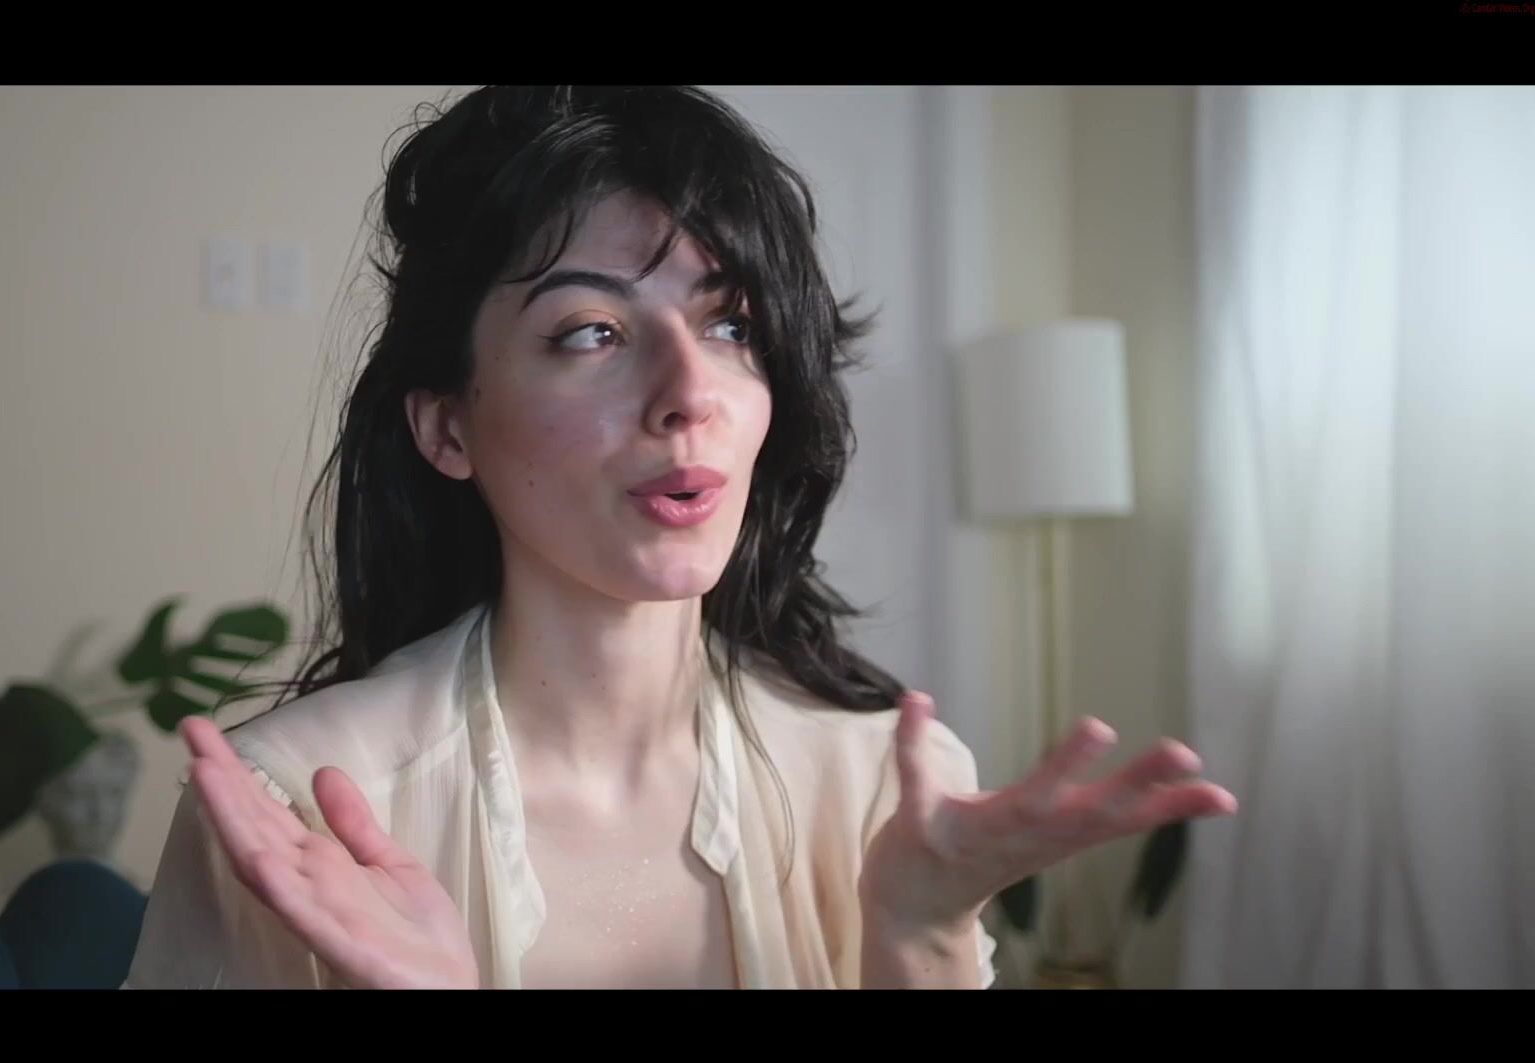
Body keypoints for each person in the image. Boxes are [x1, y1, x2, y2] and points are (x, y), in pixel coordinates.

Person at [124, 85, 1237, 990]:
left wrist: (919, 933)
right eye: (591, 332)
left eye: (730, 323)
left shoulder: (879, 789)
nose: (690, 391)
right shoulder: (290, 817)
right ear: (448, 426)